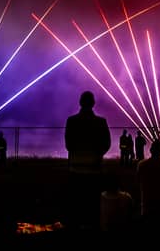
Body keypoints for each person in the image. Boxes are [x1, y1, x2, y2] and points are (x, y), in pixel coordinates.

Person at [64, 91, 111, 231]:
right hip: (94, 170)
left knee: (77, 203)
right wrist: (97, 155)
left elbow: (68, 144)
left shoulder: (71, 121)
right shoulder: (101, 122)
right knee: (93, 203)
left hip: (75, 170)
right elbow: (107, 143)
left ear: (80, 102)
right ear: (93, 103)